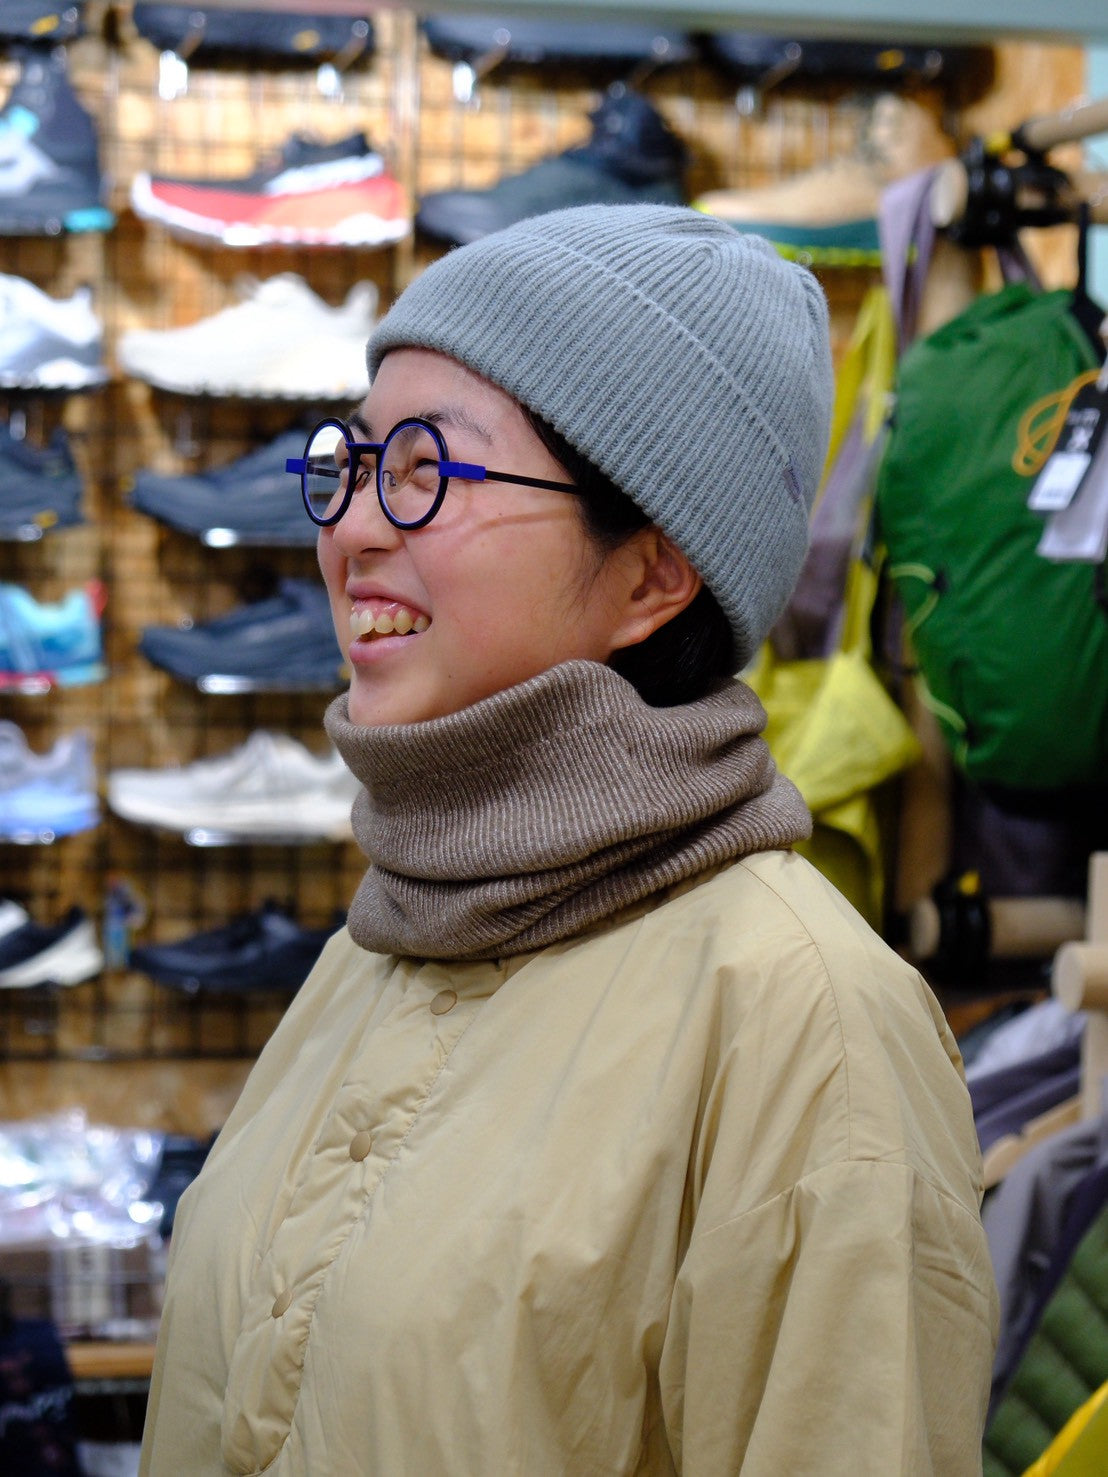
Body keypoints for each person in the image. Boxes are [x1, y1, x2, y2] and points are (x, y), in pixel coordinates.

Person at [139, 204, 997, 1476]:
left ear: (652, 575)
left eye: (428, 468)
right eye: (355, 460)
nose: (352, 528)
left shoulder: (804, 1028)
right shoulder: (383, 939)